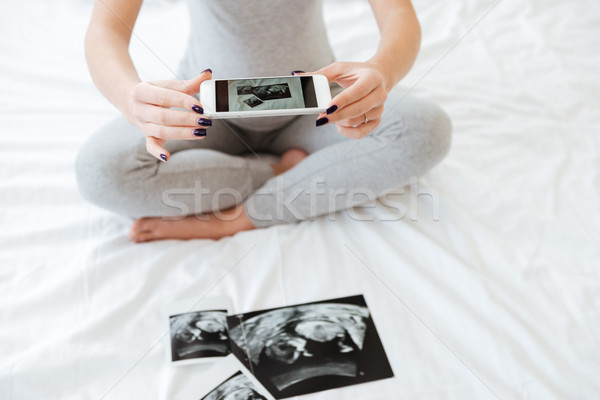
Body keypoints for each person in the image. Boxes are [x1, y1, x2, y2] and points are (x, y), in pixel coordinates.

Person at [76, 0, 452, 242]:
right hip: (206, 110)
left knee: (425, 130)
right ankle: (275, 171)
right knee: (100, 171)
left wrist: (381, 71)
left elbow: (399, 13)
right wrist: (128, 96)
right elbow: (105, 28)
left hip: (313, 107)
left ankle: (242, 217)